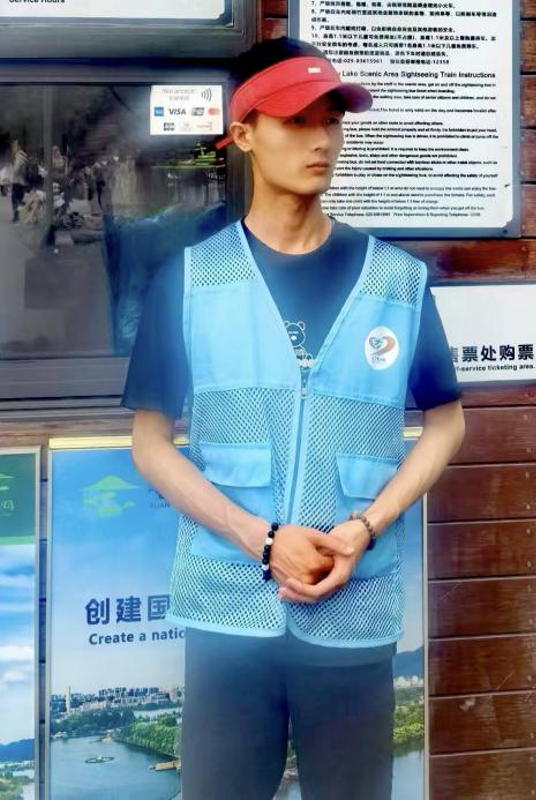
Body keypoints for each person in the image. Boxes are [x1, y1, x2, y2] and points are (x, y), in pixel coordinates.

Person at [123, 37, 465, 800]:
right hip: (227, 611)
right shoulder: (189, 280)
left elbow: (447, 423)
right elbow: (150, 444)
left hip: (355, 606)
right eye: (295, 120)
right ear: (243, 133)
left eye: (331, 119)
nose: (321, 140)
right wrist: (263, 541)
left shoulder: (397, 281)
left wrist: (367, 525)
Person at [10, 139, 28, 222]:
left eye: (14, 146)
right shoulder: (24, 156)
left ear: (18, 147)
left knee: (15, 199)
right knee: (19, 199)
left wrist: (12, 167)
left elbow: (16, 170)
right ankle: (18, 215)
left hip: (17, 181)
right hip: (22, 181)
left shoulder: (19, 156)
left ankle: (16, 216)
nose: (13, 148)